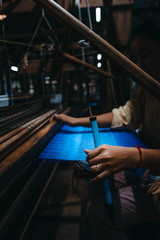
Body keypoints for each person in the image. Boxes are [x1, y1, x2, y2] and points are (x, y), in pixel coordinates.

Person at [50, 19, 160, 239]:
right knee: (97, 178)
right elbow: (125, 114)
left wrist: (133, 156)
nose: (139, 64)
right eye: (135, 58)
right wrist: (77, 121)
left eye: (145, 54)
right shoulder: (149, 90)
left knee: (99, 213)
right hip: (150, 168)